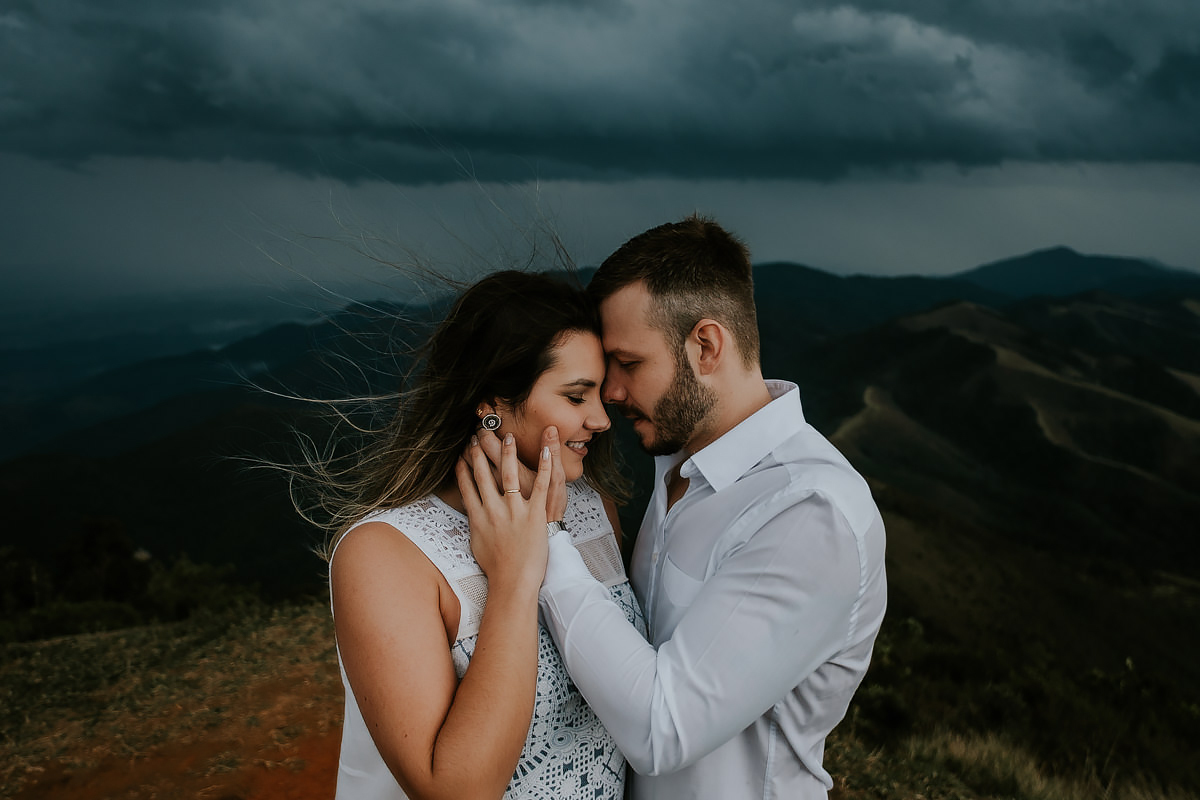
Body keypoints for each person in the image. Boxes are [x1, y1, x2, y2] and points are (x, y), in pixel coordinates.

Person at [464, 216, 888, 800]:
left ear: (706, 346)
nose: (610, 393)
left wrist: (546, 543)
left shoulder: (810, 514)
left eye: (629, 364)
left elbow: (660, 731)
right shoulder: (674, 462)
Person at [319, 270, 645, 799]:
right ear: (491, 405)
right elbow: (455, 791)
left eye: (598, 395)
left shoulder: (592, 509)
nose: (602, 420)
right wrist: (515, 576)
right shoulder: (385, 554)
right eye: (576, 396)